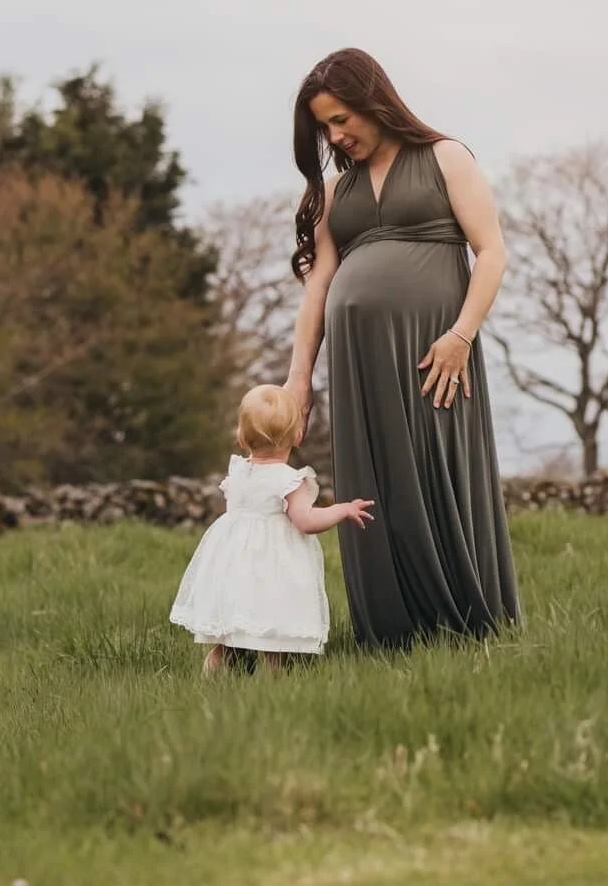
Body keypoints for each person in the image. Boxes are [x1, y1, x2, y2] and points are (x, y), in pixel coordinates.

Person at [282, 48, 523, 647]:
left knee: (439, 471)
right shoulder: (339, 192)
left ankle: (469, 626)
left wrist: (461, 336)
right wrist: (297, 381)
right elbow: (319, 287)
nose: (336, 136)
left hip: (436, 354)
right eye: (325, 128)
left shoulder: (446, 157)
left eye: (341, 119)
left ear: (373, 101)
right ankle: (390, 634)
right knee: (376, 484)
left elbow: (490, 253)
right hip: (360, 363)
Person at [169, 384, 376, 675]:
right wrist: (342, 510)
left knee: (227, 636)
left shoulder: (238, 472)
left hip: (232, 564)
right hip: (272, 567)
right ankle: (273, 677)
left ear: (241, 437)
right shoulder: (289, 480)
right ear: (297, 436)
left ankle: (212, 677)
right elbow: (306, 521)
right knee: (273, 632)